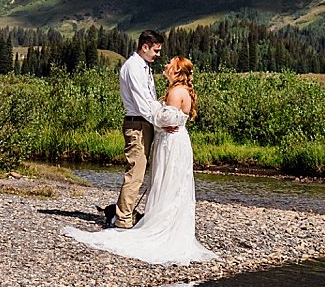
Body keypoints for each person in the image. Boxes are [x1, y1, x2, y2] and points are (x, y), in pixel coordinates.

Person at [64, 56, 218, 265]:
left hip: (170, 143)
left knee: (167, 182)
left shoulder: (175, 92)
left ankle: (160, 226)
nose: (164, 65)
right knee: (172, 184)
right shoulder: (182, 91)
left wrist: (152, 112)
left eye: (169, 64)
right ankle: (169, 223)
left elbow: (163, 120)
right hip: (175, 141)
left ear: (177, 70)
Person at [106, 31, 171, 229]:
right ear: (145, 46)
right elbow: (143, 104)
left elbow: (149, 99)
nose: (158, 55)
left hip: (144, 123)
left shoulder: (144, 67)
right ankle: (123, 218)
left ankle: (125, 212)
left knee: (139, 171)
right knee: (135, 172)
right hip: (137, 124)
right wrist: (162, 121)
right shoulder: (133, 67)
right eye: (156, 50)